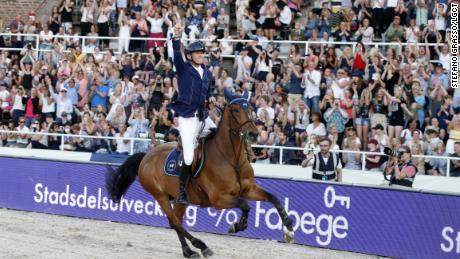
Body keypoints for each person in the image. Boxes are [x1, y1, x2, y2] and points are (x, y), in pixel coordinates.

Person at [169, 23, 217, 204]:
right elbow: (175, 54)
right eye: (198, 53)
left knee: (218, 136)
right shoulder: (184, 68)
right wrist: (176, 37)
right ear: (190, 56)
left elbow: (208, 91)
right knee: (189, 156)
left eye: (202, 53)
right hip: (188, 118)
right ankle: (181, 192)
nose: (201, 55)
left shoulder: (207, 73)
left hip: (203, 117)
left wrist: (211, 97)